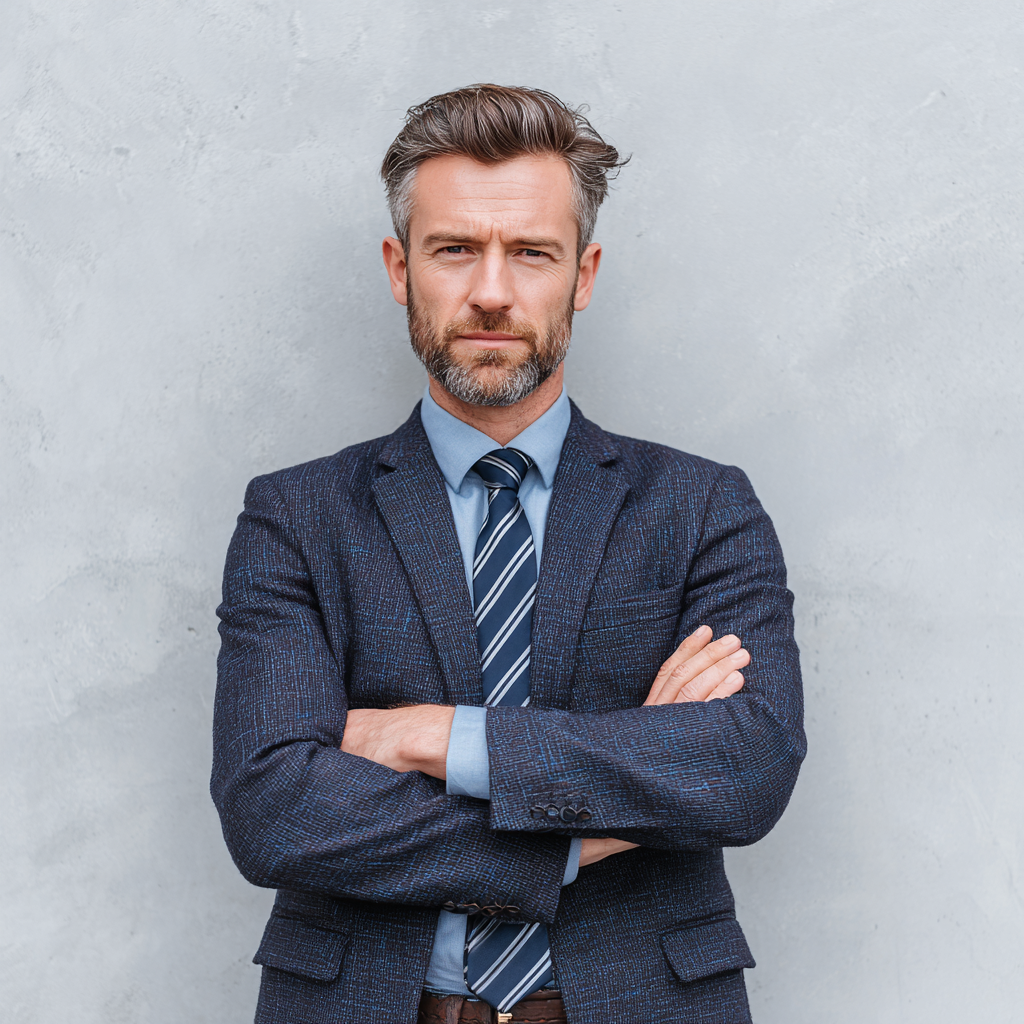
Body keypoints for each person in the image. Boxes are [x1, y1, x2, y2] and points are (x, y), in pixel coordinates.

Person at [212, 84, 805, 1024]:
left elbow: (744, 767)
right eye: (456, 249)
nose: (492, 290)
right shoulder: (296, 516)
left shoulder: (702, 508)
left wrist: (433, 737)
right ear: (401, 269)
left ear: (586, 273)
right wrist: (587, 826)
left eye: (531, 252)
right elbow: (273, 809)